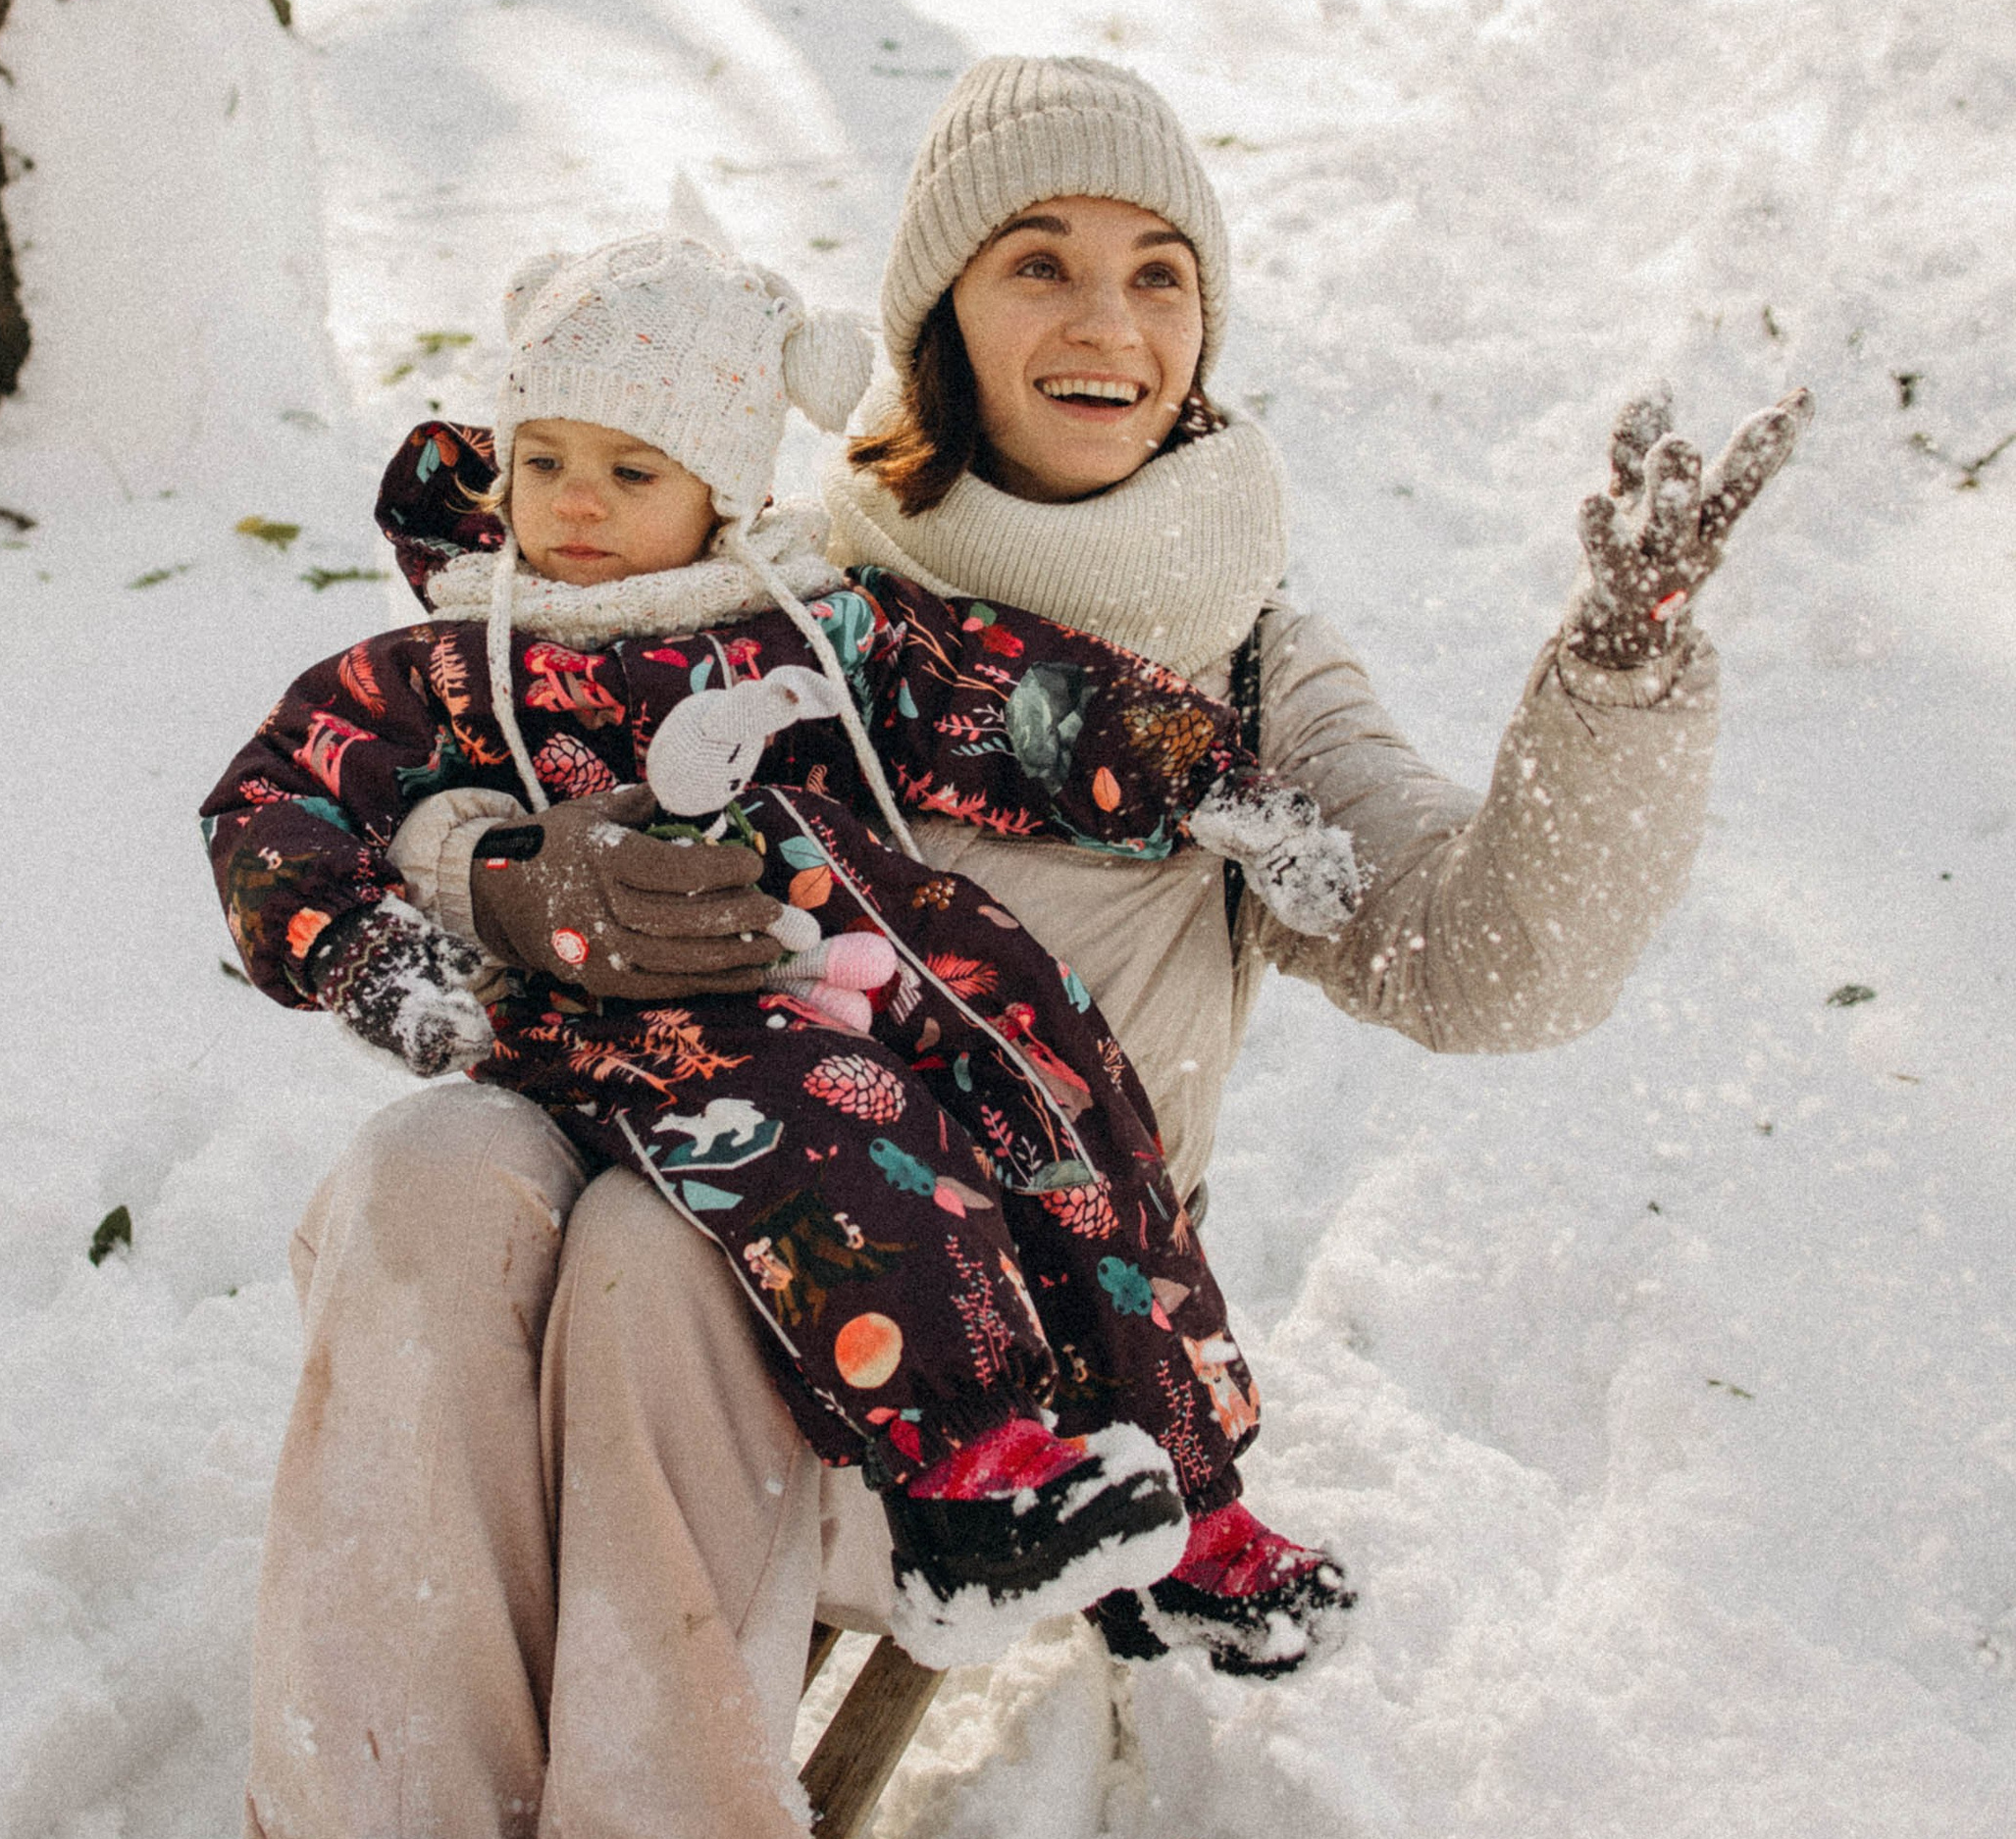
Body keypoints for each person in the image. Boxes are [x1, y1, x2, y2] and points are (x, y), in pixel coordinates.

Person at [92, 54, 1807, 1839]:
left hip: (981, 1334)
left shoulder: (1245, 671)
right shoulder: (765, 565)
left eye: (1159, 274)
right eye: (1039, 264)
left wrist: (1625, 669)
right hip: (654, 1141)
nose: (1107, 322)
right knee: (429, 1176)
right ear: (934, 319)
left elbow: (1487, 960)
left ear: (1207, 329)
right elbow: (450, 730)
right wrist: (510, 874)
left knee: (644, 1269)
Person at [201, 234, 1367, 1743]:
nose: (573, 504)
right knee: (859, 1138)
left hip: (891, 959)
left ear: (725, 490)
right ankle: (969, 1482)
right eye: (542, 459)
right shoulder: (447, 668)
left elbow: (1003, 696)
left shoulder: (816, 623)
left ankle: (1187, 1507)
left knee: (1064, 1106)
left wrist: (1216, 784)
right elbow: (276, 806)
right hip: (671, 1017)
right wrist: (378, 953)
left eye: (633, 470)